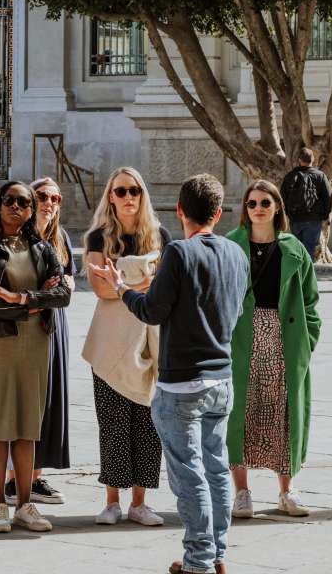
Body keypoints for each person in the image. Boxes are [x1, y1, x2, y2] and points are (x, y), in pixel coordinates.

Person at [90, 173, 249, 574]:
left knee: (189, 474)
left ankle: (198, 560)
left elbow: (151, 311)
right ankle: (216, 555)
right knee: (215, 468)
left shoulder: (179, 252)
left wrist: (121, 286)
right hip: (221, 377)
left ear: (180, 211)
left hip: (183, 382)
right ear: (218, 211)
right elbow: (236, 310)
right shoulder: (235, 253)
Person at [0, 181, 72, 534]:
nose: (16, 206)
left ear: (30, 211)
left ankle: (24, 504)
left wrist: (18, 299)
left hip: (37, 341)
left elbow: (61, 295)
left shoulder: (41, 247)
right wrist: (30, 302)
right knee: (1, 421)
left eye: (24, 202)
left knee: (29, 422)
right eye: (10, 200)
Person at [224, 179, 322, 522]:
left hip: (285, 338)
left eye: (265, 202)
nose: (259, 209)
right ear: (245, 209)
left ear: (277, 206)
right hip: (242, 337)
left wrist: (307, 342)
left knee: (284, 413)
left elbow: (310, 301)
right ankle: (242, 493)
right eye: (252, 203)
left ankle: (286, 490)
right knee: (242, 412)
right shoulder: (230, 245)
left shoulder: (294, 248)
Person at [82, 166, 172, 527]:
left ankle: (140, 501)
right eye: (120, 191)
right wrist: (144, 281)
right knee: (114, 423)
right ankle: (112, 500)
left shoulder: (159, 235)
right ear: (110, 196)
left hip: (150, 338)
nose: (128, 197)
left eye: (134, 190)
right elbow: (102, 289)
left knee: (148, 425)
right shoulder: (99, 238)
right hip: (111, 341)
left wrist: (124, 281)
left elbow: (167, 287)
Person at [2, 177, 72, 505]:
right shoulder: (15, 238)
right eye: (42, 196)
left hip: (55, 323)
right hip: (25, 324)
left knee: (49, 399)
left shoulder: (60, 239)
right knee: (24, 400)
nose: (49, 203)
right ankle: (15, 478)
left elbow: (68, 281)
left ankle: (37, 475)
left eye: (56, 199)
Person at [280, 147, 332, 259]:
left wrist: (288, 213)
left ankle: (298, 273)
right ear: (313, 159)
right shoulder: (320, 175)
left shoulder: (290, 176)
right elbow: (328, 196)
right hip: (314, 219)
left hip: (295, 218)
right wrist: (325, 215)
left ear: (299, 160)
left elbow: (282, 196)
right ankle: (307, 273)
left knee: (297, 248)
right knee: (309, 248)